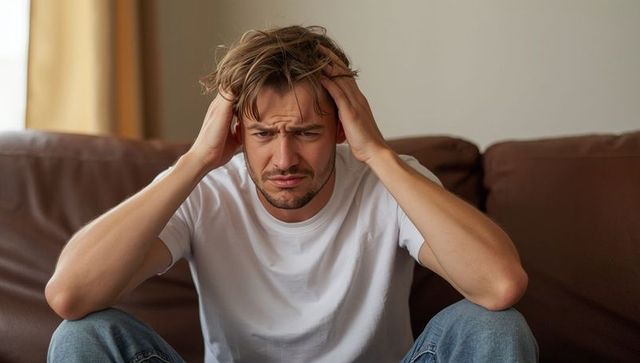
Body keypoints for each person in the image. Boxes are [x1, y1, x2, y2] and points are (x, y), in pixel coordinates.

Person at [46, 25, 538, 362]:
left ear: (342, 128)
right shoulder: (206, 189)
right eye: (263, 135)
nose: (283, 160)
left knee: (495, 327)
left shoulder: (389, 179)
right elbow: (71, 295)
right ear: (237, 131)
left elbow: (499, 287)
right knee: (83, 335)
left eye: (305, 133)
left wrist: (379, 154)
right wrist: (196, 160)